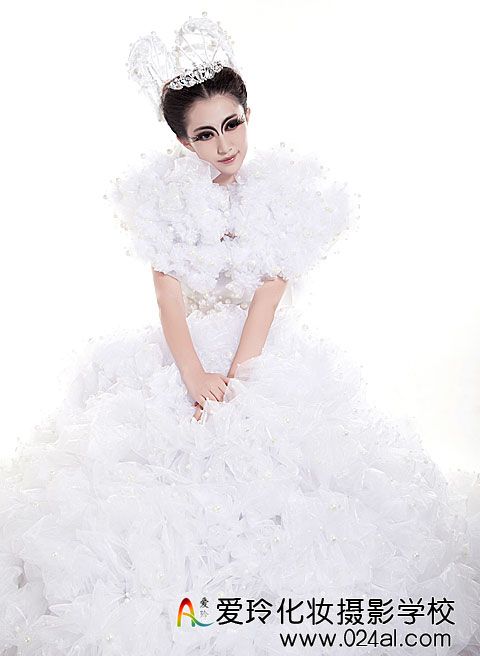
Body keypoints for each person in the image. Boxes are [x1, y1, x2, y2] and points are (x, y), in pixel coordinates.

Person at [0, 13, 479, 656]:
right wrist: (194, 375)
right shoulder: (166, 199)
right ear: (183, 141)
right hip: (186, 349)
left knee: (280, 462)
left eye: (232, 124)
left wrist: (239, 378)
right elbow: (167, 294)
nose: (224, 144)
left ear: (247, 115)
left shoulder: (281, 193)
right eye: (205, 134)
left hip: (259, 349)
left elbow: (269, 293)